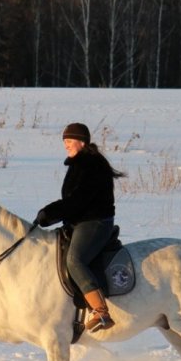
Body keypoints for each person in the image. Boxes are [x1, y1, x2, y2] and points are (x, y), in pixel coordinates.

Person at [35, 123, 125, 332]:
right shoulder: (80, 164)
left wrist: (50, 213)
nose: (65, 145)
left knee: (75, 260)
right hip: (80, 221)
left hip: (96, 222)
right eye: (64, 141)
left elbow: (79, 201)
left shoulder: (91, 165)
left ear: (81, 142)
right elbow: (74, 202)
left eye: (69, 140)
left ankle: (101, 312)